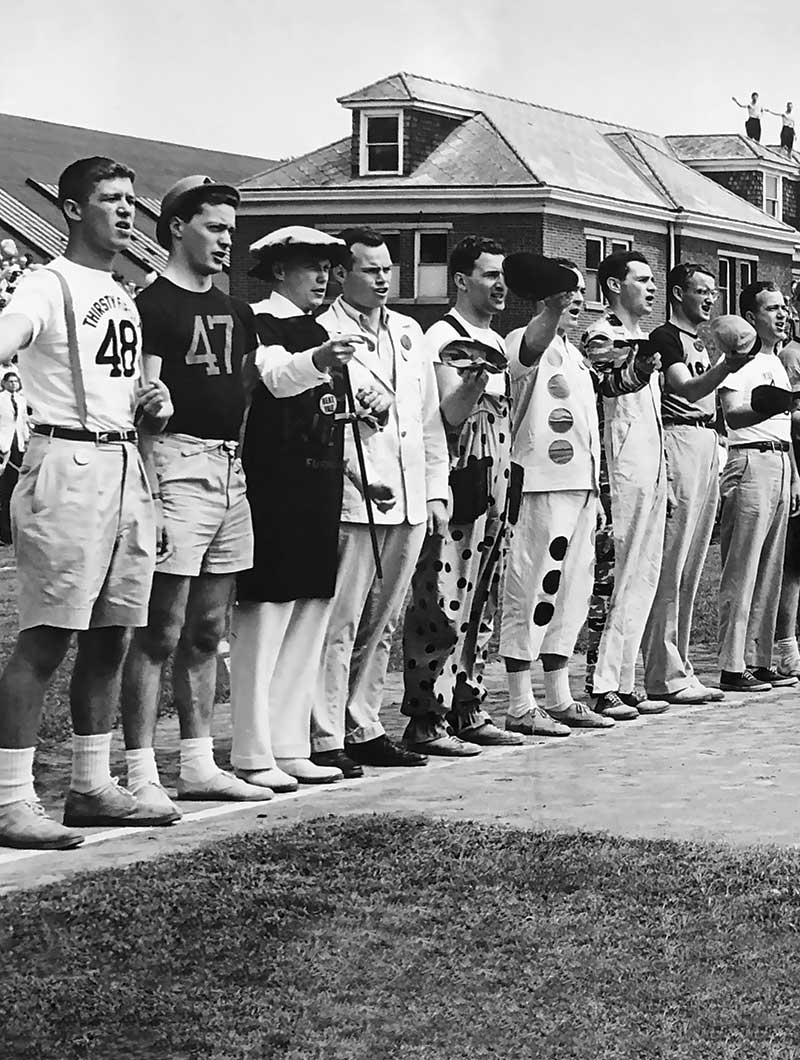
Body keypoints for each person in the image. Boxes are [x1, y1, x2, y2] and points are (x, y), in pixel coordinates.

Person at [0, 156, 174, 850]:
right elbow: (11, 334)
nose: (126, 211)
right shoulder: (47, 284)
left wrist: (152, 408)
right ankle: (11, 798)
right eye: (110, 199)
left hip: (123, 457)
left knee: (114, 632)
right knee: (47, 635)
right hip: (66, 460)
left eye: (132, 199)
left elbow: (119, 388)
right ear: (73, 209)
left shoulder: (122, 290)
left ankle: (91, 784)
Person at [120, 175, 267, 813]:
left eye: (232, 230)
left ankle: (200, 762)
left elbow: (246, 388)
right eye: (215, 227)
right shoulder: (151, 306)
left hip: (231, 468)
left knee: (208, 628)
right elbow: (140, 405)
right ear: (178, 226)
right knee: (160, 627)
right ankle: (139, 768)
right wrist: (150, 477)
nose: (226, 241)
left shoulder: (238, 311)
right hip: (175, 462)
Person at [230, 226, 393, 789]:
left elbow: (331, 409)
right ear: (278, 270)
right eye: (310, 266)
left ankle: (291, 741)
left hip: (322, 484)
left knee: (311, 613)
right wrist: (322, 358)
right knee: (267, 615)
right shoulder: (257, 320)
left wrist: (367, 408)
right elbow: (276, 380)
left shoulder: (323, 330)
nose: (323, 277)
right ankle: (252, 747)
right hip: (274, 483)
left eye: (329, 266)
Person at [312, 227, 450, 769]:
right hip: (356, 491)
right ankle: (325, 731)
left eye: (388, 268)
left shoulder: (410, 331)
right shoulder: (324, 330)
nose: (383, 279)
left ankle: (365, 720)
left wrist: (436, 490)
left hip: (411, 490)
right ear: (342, 273)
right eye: (371, 269)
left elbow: (430, 419)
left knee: (387, 617)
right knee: (342, 617)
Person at [401, 236, 521, 754]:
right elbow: (447, 417)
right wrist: (474, 382)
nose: (500, 285)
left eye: (502, 276)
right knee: (444, 594)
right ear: (460, 280)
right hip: (461, 471)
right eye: (489, 275)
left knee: (483, 597)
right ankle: (428, 715)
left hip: (499, 470)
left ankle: (468, 704)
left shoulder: (493, 340)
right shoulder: (440, 337)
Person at [500, 258, 611, 735]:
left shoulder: (577, 356)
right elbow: (529, 349)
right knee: (534, 586)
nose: (578, 300)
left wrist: (597, 492)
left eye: (581, 291)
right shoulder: (527, 341)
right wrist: (549, 306)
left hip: (580, 489)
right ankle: (520, 701)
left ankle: (559, 694)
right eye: (569, 291)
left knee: (572, 591)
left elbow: (590, 430)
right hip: (540, 484)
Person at [642, 264, 755, 704]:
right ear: (677, 294)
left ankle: (681, 665)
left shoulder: (701, 342)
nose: (710, 299)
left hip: (709, 438)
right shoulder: (666, 338)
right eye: (700, 291)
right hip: (680, 436)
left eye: (713, 292)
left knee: (692, 561)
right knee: (673, 559)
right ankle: (662, 671)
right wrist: (728, 366)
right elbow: (686, 390)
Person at [581, 251, 669, 719]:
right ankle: (601, 681)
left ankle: (626, 678)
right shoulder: (602, 334)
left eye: (654, 280)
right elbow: (614, 383)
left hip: (650, 467)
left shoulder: (641, 339)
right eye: (642, 280)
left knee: (645, 572)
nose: (651, 288)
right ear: (614, 286)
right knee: (615, 573)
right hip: (618, 470)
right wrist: (645, 360)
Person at [717, 286, 800, 691]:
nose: (781, 314)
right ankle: (732, 664)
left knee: (772, 565)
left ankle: (759, 657)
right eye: (772, 308)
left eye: (783, 307)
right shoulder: (739, 362)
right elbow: (733, 415)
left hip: (781, 460)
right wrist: (770, 405)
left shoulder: (777, 362)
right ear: (751, 316)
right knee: (743, 564)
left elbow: (783, 427)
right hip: (749, 460)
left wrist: (795, 472)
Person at [774, 291, 800, 675]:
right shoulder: (791, 355)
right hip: (796, 456)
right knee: (794, 559)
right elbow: (788, 416)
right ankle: (785, 644)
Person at [0, 370, 30, 544]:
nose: (13, 384)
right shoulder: (1, 399)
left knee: (15, 488)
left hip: (17, 444)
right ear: (3, 383)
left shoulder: (21, 400)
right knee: (4, 490)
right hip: (4, 445)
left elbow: (23, 421)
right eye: (9, 382)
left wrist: (26, 440)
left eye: (15, 381)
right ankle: (3, 533)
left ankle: (11, 532)